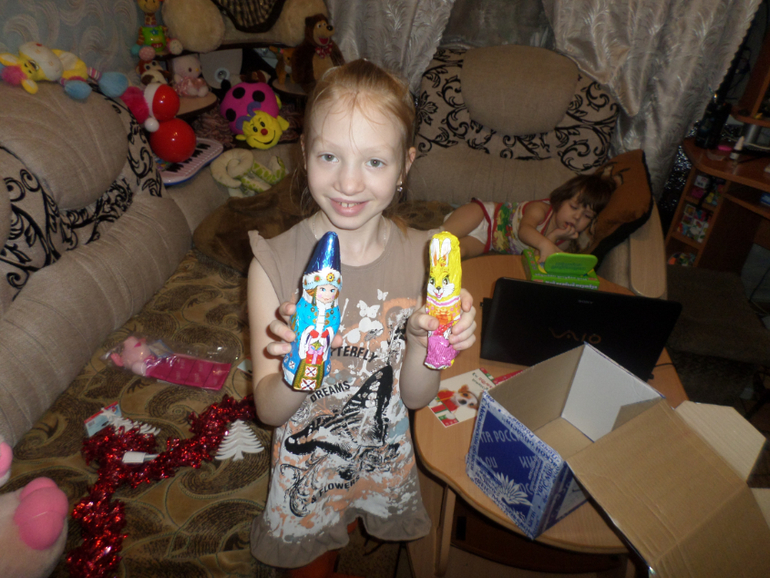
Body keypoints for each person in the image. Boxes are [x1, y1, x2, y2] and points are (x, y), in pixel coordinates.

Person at [247, 59, 477, 577]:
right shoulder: (273, 265)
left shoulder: (424, 259)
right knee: (313, 562)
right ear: (304, 153)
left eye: (374, 161)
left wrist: (425, 342)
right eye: (329, 156)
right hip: (308, 464)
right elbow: (269, 410)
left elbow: (415, 398)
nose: (348, 182)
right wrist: (299, 364)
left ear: (405, 165)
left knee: (357, 524)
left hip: (380, 453)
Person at [442, 172, 616, 262]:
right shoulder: (540, 209)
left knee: (458, 252)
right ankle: (431, 238)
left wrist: (554, 236)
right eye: (573, 207)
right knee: (444, 236)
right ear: (560, 200)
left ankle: (433, 261)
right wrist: (546, 243)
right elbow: (525, 231)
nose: (577, 217)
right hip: (486, 216)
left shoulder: (565, 238)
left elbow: (535, 259)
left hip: (489, 241)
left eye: (586, 216)